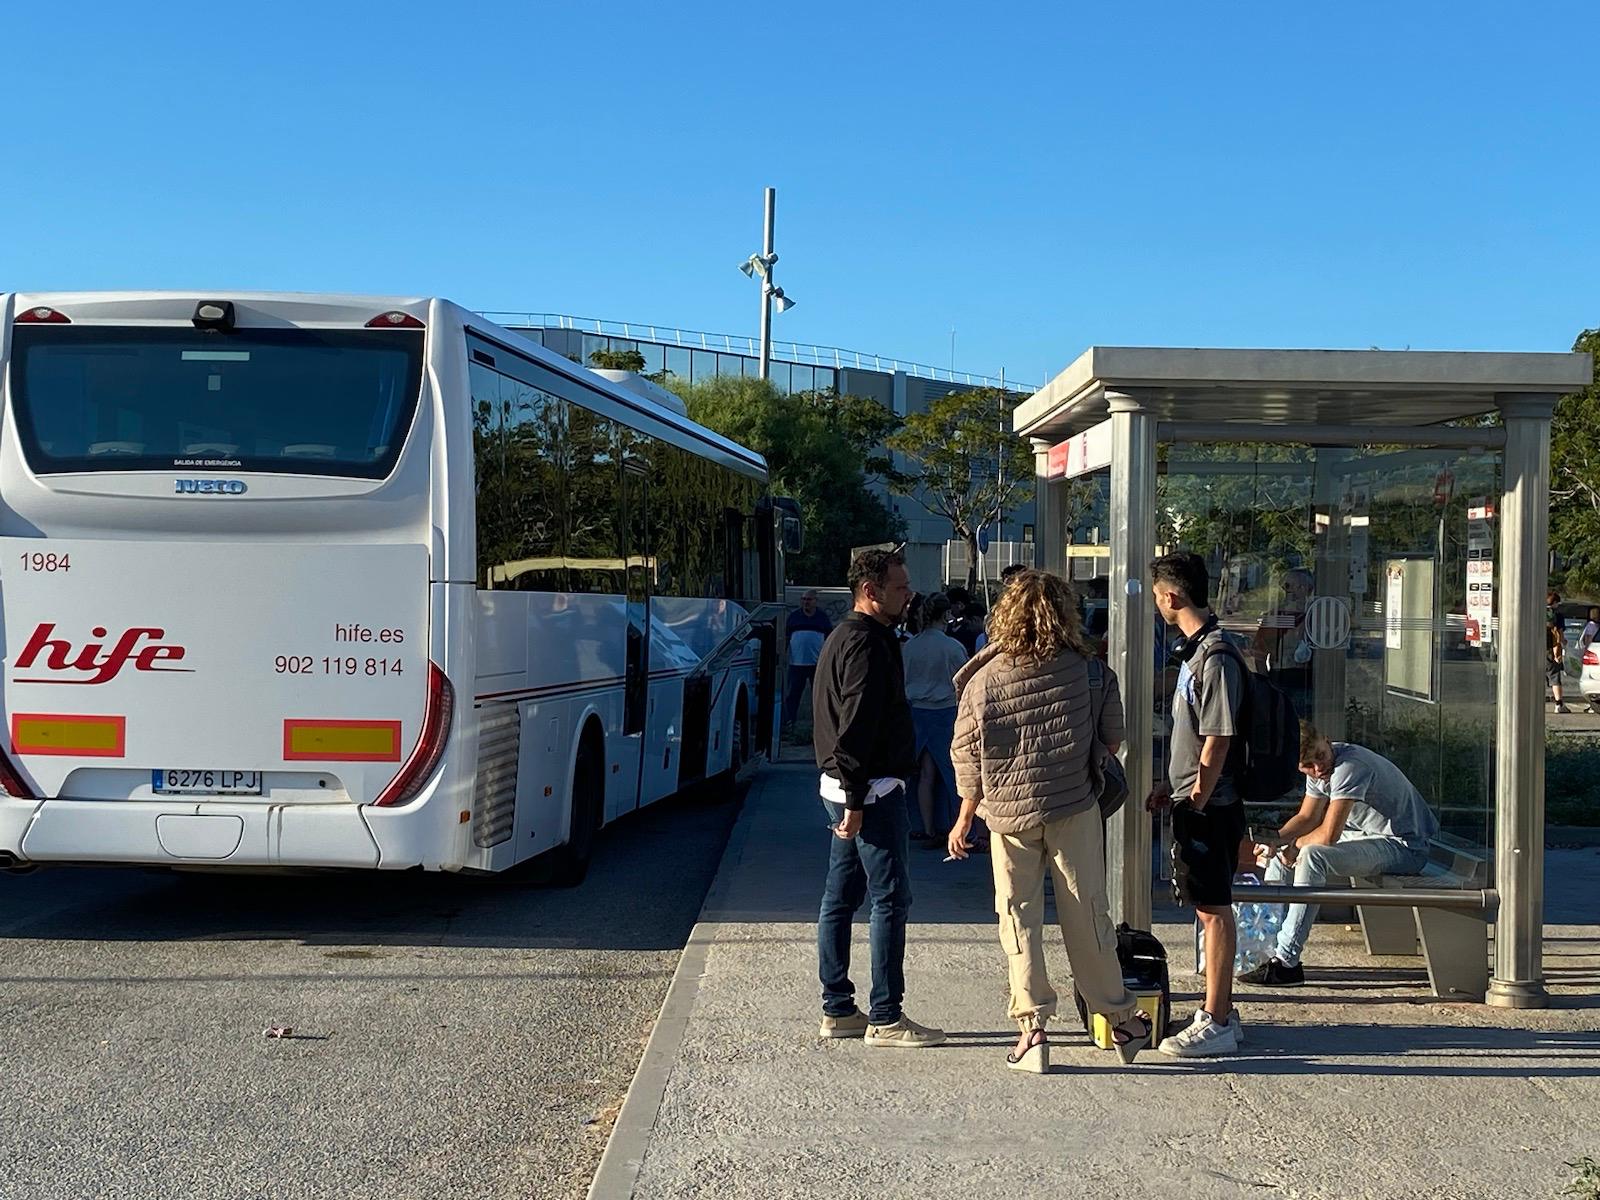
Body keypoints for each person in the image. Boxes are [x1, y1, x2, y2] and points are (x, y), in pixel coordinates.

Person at [948, 570, 1154, 1072]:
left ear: (1006, 613)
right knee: (1087, 913)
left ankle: (1034, 1032)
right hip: (1074, 806)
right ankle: (1121, 1020)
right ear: (1066, 613)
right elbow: (1112, 741)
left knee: (1018, 920)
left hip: (1008, 813)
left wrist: (963, 817)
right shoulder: (1090, 672)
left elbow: (966, 753)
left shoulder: (983, 679)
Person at [812, 548, 945, 1048]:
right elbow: (856, 726)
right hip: (869, 789)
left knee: (841, 896)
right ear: (871, 591)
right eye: (900, 587)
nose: (908, 595)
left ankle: (838, 1007)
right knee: (890, 898)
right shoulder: (867, 642)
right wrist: (856, 799)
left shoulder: (847, 635)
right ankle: (886, 1016)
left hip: (848, 786)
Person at [1239, 723, 1440, 986]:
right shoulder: (1321, 768)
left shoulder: (1349, 767)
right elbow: (1307, 816)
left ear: (1327, 738)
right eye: (1308, 766)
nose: (1318, 769)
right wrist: (1275, 841)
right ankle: (1267, 950)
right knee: (1278, 855)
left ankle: (1287, 962)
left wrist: (1293, 846)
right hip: (1369, 836)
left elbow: (1328, 835)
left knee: (1313, 855)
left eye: (1320, 757)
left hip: (1405, 847)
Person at [1146, 551, 1247, 1057]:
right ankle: (1219, 1007)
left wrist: (1196, 801)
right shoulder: (1198, 651)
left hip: (1211, 805)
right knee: (1208, 907)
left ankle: (1219, 1020)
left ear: (1172, 596)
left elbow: (1218, 738)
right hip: (1195, 798)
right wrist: (1176, 788)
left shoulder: (1217, 655)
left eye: (1157, 597)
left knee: (1213, 910)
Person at [900, 593, 970, 846]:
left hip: (916, 712)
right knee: (954, 774)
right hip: (946, 712)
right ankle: (960, 828)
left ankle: (925, 826)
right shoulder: (952, 647)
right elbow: (963, 682)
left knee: (923, 773)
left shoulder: (911, 646)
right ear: (946, 615)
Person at [1253, 568, 1313, 714]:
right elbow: (1259, 654)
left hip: (1309, 679)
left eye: (1289, 586)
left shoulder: (1316, 616)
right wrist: (1266, 685)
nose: (1287, 591)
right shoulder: (1275, 617)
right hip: (1280, 678)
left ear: (1304, 589)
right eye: (1285, 586)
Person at [783, 590, 833, 731]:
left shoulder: (822, 618)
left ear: (815, 601)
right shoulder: (794, 617)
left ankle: (820, 725)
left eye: (809, 599)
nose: (806, 602)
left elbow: (829, 639)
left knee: (818, 696)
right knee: (793, 694)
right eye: (804, 599)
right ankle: (789, 723)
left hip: (817, 664)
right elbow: (786, 638)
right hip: (796, 664)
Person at [1548, 589, 1571, 715]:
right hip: (1551, 650)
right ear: (1555, 602)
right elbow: (1560, 634)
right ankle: (1559, 704)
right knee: (1555, 677)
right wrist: (1563, 644)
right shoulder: (1557, 616)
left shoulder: (1536, 612)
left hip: (1535, 649)